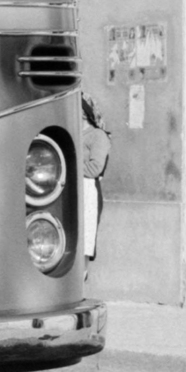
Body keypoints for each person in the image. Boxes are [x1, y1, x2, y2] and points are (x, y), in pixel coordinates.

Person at [80, 92, 111, 261]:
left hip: (87, 192)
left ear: (83, 113)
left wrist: (66, 168)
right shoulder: (73, 134)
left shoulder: (97, 136)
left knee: (85, 241)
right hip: (69, 190)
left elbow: (95, 168)